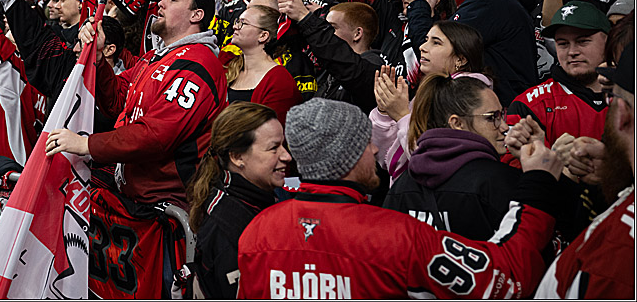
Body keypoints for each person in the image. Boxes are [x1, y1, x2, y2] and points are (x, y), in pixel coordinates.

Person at [237, 98, 565, 298]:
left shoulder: (256, 231)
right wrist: (538, 183)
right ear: (347, 156)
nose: (377, 149)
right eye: (366, 142)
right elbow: (503, 278)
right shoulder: (395, 235)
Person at [46, 0, 227, 299]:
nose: (160, 2)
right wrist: (99, 59)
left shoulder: (198, 64)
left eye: (172, 0)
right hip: (136, 209)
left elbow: (156, 136)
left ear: (196, 15)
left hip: (167, 218)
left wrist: (86, 144)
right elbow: (116, 99)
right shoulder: (157, 58)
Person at [536, 44, 635, 299]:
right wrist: (614, 174)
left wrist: (541, 179)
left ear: (622, 114)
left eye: (611, 96)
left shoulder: (611, 260)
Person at [383, 73, 520, 239]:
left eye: (502, 115)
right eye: (492, 117)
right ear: (457, 123)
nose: (504, 126)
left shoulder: (402, 185)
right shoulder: (499, 181)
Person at [187, 103, 291, 299]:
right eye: (274, 148)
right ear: (237, 157)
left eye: (283, 145)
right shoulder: (228, 229)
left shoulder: (255, 197)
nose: (287, 156)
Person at [372, 20, 488, 183]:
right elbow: (385, 159)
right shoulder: (427, 91)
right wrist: (385, 111)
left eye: (436, 43)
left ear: (460, 59)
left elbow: (430, 160)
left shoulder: (468, 97)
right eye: (426, 40)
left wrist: (401, 115)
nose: (422, 47)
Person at [443, 0, 539, 105]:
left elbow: (437, 51)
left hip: (496, 114)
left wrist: (418, 3)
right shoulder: (502, 0)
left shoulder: (490, 3)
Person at [506, 1, 610, 146]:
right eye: (563, 44)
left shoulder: (629, 96)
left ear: (608, 42)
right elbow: (511, 162)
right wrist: (552, 161)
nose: (572, 52)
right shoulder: (528, 106)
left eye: (583, 41)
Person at [277, 0, 383, 113]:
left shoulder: (375, 71)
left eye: (332, 28)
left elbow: (343, 61)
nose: (328, 34)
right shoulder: (331, 70)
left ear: (357, 34)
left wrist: (304, 18)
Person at [226, 5, 302, 121]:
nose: (235, 27)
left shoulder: (279, 80)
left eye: (243, 23)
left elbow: (272, 133)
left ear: (263, 36)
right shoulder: (232, 68)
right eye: (237, 21)